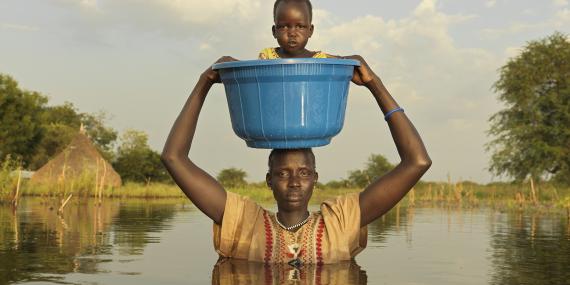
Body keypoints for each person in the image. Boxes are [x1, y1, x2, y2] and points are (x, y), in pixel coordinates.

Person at [161, 0, 431, 267]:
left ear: (315, 179)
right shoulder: (243, 222)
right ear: (268, 180)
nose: (293, 182)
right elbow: (173, 158)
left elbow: (418, 161)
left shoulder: (341, 221)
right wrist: (204, 82)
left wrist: (375, 84)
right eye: (282, 173)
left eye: (303, 173)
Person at [259, 0, 329, 59]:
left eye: (300, 26)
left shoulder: (320, 60)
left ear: (310, 30)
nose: (292, 33)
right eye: (284, 27)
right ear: (274, 31)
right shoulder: (267, 56)